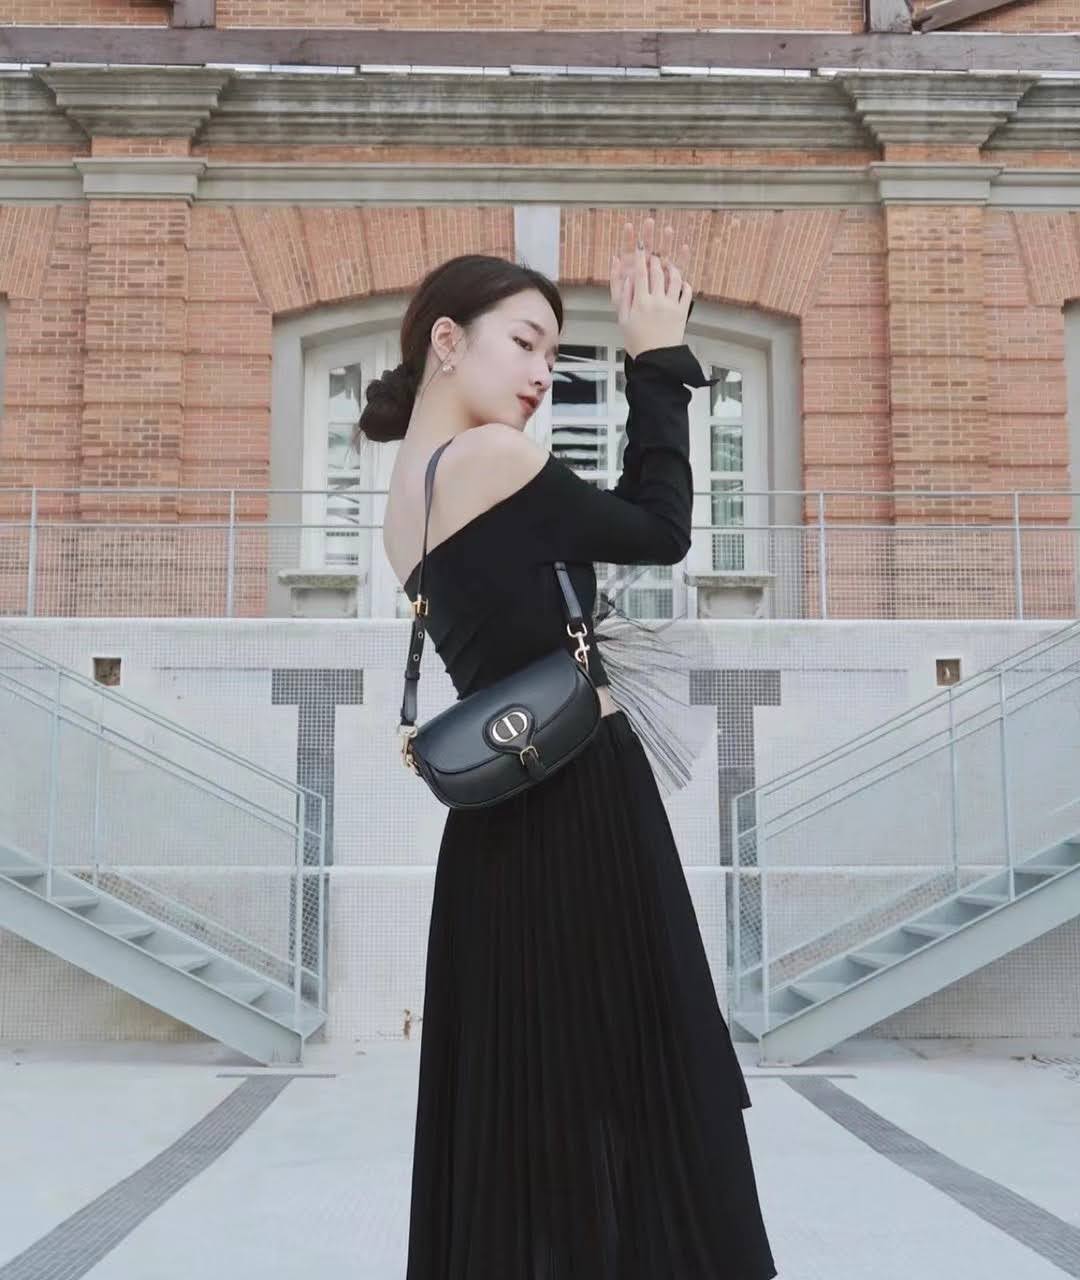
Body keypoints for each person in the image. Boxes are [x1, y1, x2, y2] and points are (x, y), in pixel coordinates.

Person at [358, 217, 778, 1279]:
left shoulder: (401, 502)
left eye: (554, 351)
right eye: (525, 342)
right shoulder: (492, 457)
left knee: (526, 1091)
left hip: (497, 830)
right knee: (629, 1070)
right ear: (446, 341)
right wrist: (656, 358)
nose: (545, 372)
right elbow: (659, 529)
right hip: (580, 799)